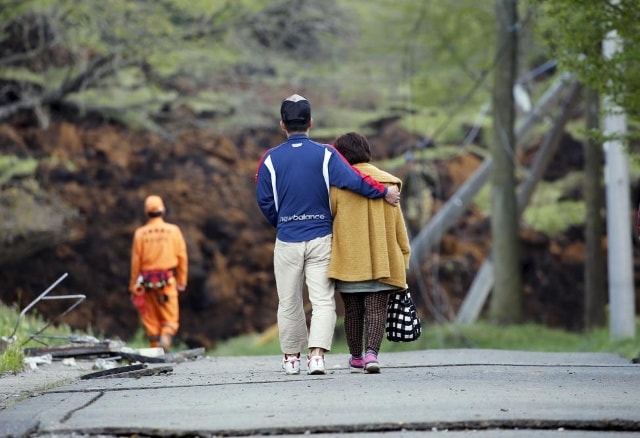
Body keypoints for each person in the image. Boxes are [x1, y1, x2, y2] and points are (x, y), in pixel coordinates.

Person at [255, 94, 401, 375]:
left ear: (282, 124)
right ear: (311, 122)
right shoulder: (326, 154)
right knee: (322, 300)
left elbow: (264, 200)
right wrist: (384, 192)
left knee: (288, 300)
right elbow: (354, 181)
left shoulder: (270, 159)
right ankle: (317, 357)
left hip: (287, 238)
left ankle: (291, 359)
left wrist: (283, 222)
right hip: (321, 237)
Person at [327, 132, 411, 373]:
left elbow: (328, 221)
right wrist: (404, 254)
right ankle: (372, 356)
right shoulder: (389, 184)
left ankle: (356, 357)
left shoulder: (338, 186)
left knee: (353, 312)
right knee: (376, 310)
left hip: (349, 261)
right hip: (383, 261)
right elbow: (399, 227)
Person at [129, 195, 188, 352]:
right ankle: (165, 339)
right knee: (170, 319)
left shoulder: (140, 234)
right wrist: (182, 281)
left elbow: (136, 263)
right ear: (163, 210)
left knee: (151, 319)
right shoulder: (173, 231)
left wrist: (133, 286)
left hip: (146, 283)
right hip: (167, 281)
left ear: (146, 212)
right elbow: (182, 257)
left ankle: (156, 351)